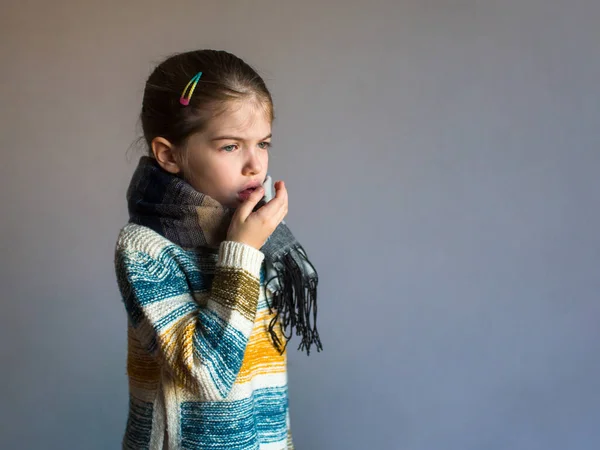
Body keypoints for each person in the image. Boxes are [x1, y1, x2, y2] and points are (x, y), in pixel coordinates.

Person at [114, 49, 322, 450]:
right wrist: (242, 251)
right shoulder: (146, 248)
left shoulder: (247, 227)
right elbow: (208, 375)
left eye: (263, 143)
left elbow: (259, 375)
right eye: (230, 146)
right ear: (169, 155)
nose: (255, 165)